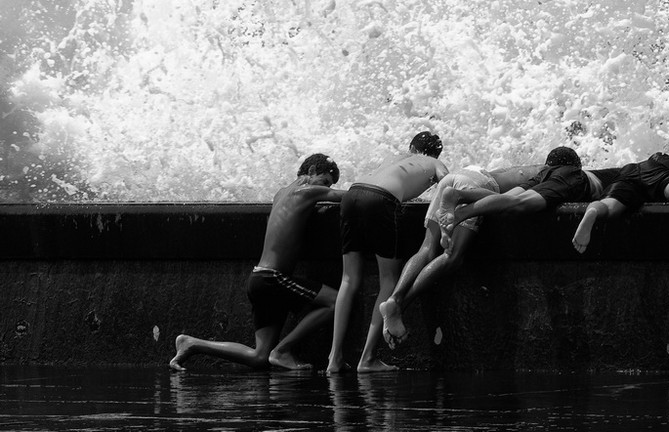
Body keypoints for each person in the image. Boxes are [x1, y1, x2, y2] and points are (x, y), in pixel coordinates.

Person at [169, 154, 343, 371]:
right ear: (312, 170)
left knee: (259, 356)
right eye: (325, 181)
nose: (326, 188)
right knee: (336, 301)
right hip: (274, 278)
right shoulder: (308, 191)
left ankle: (192, 344)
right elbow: (344, 196)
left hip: (259, 278)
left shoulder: (281, 194)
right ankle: (283, 350)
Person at [378, 163, 544, 349]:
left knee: (426, 249)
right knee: (452, 256)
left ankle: (394, 300)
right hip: (474, 185)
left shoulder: (521, 167)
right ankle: (399, 307)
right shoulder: (545, 173)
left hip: (456, 176)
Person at [325, 131, 449, 374]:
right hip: (381, 201)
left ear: (412, 147)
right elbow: (446, 185)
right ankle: (368, 358)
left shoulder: (395, 158)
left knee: (348, 280)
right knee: (389, 281)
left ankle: (334, 359)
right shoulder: (434, 163)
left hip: (353, 194)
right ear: (436, 153)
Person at [438, 147, 619, 241]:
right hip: (569, 179)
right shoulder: (579, 175)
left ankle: (459, 195)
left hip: (546, 176)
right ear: (577, 165)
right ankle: (461, 214)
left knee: (509, 199)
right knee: (519, 203)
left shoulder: (544, 173)